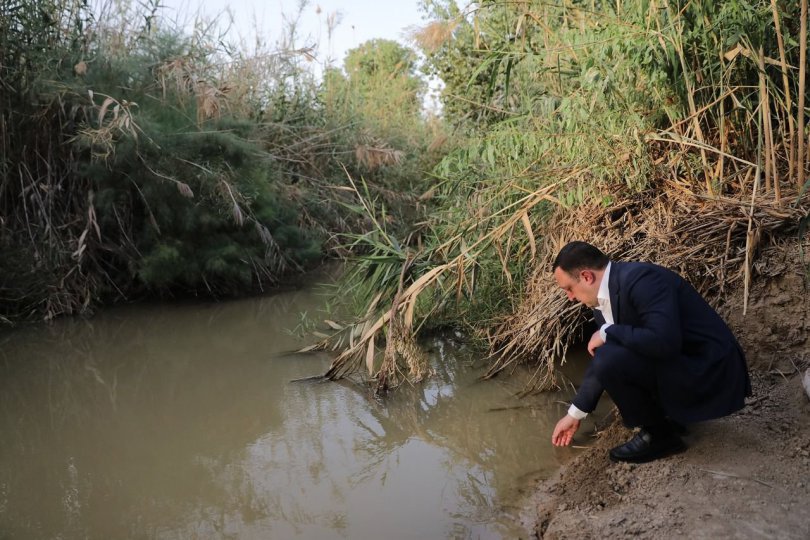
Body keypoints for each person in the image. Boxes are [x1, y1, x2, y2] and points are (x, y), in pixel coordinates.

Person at [550, 241, 751, 463]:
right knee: (610, 352)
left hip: (711, 370)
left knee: (610, 353)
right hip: (681, 363)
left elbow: (664, 341)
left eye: (569, 288)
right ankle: (668, 419)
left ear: (587, 276)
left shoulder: (641, 280)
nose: (570, 297)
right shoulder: (602, 299)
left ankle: (659, 436)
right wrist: (574, 415)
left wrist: (608, 331)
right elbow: (610, 358)